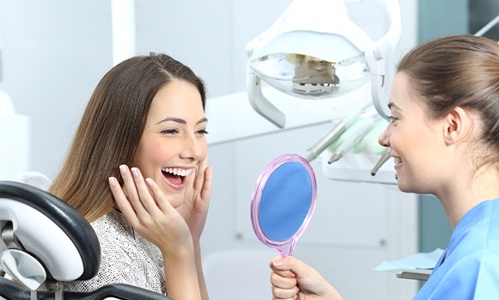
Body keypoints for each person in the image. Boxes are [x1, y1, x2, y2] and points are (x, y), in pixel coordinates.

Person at [269, 34, 499, 299]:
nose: (383, 137)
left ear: (453, 126)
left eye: (395, 118)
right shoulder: (477, 246)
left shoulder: (479, 265)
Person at [48, 53, 212, 300]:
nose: (196, 152)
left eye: (201, 130)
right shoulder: (102, 256)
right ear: (119, 141)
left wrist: (190, 240)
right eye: (171, 131)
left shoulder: (153, 230)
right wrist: (180, 252)